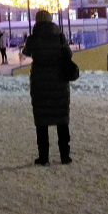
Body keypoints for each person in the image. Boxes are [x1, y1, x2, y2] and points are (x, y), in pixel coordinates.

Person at [21, 10, 73, 166]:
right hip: (59, 81)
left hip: (40, 82)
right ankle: (65, 156)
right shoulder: (59, 37)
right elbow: (68, 55)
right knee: (62, 120)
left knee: (41, 120)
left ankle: (43, 157)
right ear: (51, 20)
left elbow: (26, 52)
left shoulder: (33, 39)